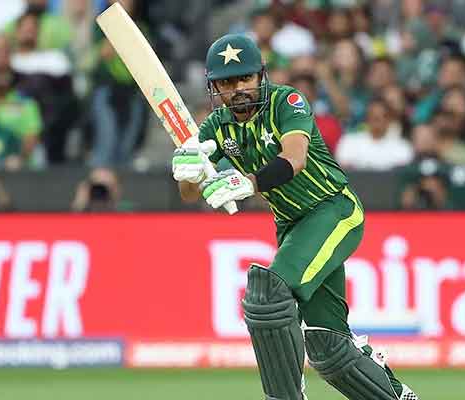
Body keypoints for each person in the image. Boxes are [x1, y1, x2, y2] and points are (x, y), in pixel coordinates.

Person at [171, 34, 419, 400]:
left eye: (245, 78)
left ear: (261, 76)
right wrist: (187, 172)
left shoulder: (286, 101)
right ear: (214, 87)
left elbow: (294, 158)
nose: (238, 89)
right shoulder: (215, 128)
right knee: (329, 348)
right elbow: (191, 193)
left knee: (268, 296)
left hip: (333, 209)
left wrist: (249, 182)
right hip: (292, 227)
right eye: (227, 82)